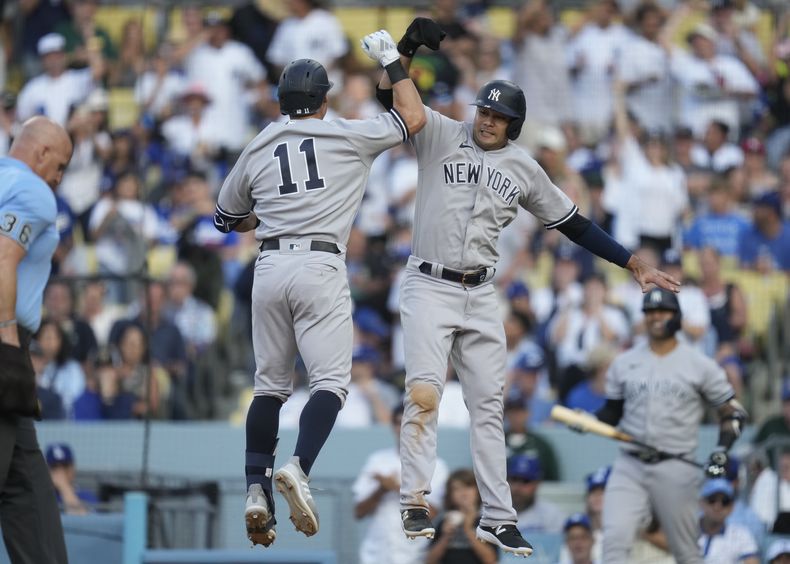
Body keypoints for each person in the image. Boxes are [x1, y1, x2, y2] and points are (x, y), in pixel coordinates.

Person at [375, 16, 680, 557]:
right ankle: (414, 497)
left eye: (499, 115)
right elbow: (396, 104)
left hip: (480, 292)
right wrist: (402, 51)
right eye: (484, 110)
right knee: (424, 392)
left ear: (514, 124)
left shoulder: (524, 167)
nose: (488, 119)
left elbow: (574, 224)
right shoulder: (443, 133)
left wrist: (631, 262)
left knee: (489, 405)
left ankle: (497, 515)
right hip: (429, 284)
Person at [213, 32, 426, 548]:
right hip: (319, 263)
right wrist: (394, 61)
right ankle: (299, 468)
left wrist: (272, 214)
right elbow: (413, 117)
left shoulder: (260, 142)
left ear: (281, 103)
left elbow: (225, 218)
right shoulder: (345, 134)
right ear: (325, 100)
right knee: (330, 382)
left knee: (269, 388)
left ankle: (254, 489)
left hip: (268, 265)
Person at [593, 287, 747, 563]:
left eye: (663, 310)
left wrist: (722, 450)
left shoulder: (700, 364)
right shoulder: (624, 362)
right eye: (651, 311)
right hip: (631, 464)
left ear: (677, 316)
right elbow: (611, 413)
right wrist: (588, 420)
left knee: (686, 552)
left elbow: (733, 413)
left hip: (676, 464)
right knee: (614, 543)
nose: (657, 317)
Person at [0, 115, 73, 564]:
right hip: (4, 336)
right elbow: (4, 256)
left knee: (27, 490)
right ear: (41, 152)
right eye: (60, 165)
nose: (60, 177)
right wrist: (7, 341)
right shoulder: (32, 191)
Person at [353, 404, 449, 564]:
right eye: (399, 423)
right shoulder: (377, 460)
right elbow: (359, 512)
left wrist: (396, 487)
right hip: (375, 554)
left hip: (416, 555)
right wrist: (381, 489)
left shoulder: (437, 466)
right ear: (393, 426)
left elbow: (432, 513)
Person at [427, 468, 497, 564]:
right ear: (450, 495)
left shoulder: (488, 523)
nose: (463, 493)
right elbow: (430, 560)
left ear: (478, 491)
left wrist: (467, 529)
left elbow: (491, 559)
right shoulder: (444, 522)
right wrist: (446, 536)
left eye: (468, 487)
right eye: (457, 489)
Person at [696, 478, 759, 564]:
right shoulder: (686, 531)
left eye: (725, 501)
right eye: (712, 500)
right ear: (702, 502)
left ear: (732, 507)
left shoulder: (741, 535)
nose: (717, 507)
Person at [45, 442, 99, 514]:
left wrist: (63, 486)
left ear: (73, 467)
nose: (60, 472)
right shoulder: (41, 496)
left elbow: (83, 521)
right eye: (54, 467)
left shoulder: (86, 495)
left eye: (65, 466)